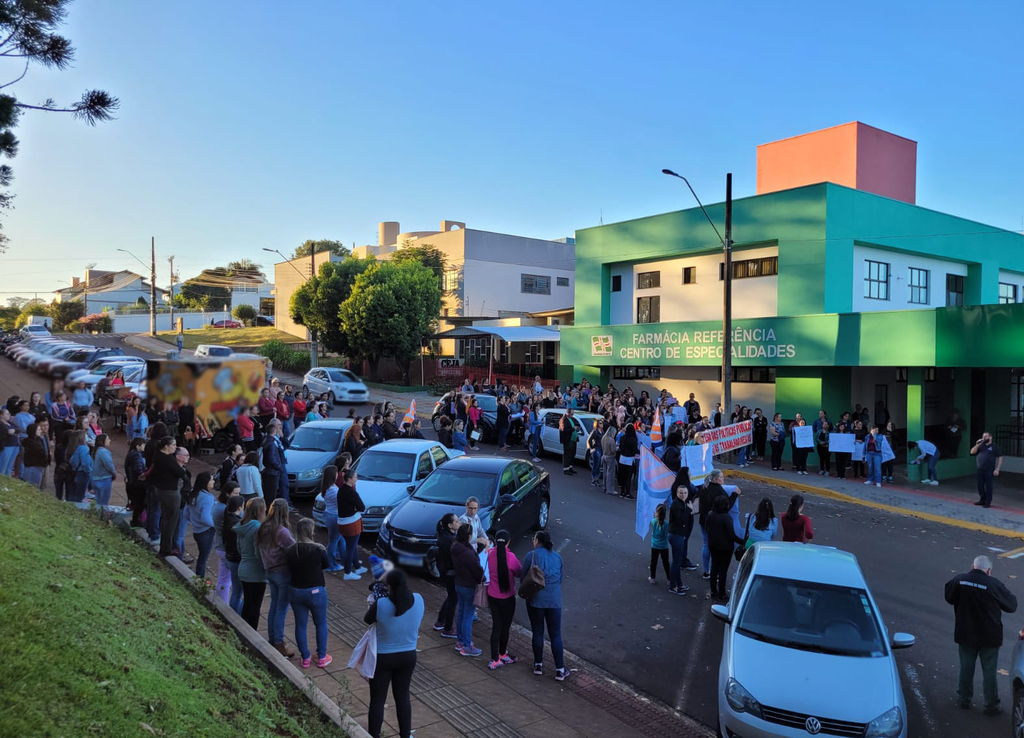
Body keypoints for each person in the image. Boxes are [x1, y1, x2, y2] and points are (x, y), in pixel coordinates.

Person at [945, 555, 1018, 714]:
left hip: (965, 633)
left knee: (966, 667)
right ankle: (991, 705)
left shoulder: (959, 580)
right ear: (989, 570)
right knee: (989, 672)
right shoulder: (994, 584)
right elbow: (1012, 605)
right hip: (989, 637)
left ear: (973, 566)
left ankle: (963, 699)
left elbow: (949, 597)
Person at [365, 568, 424, 738]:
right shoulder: (419, 600)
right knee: (403, 696)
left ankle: (373, 735)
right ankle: (406, 734)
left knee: (377, 700)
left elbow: (367, 619)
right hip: (408, 656)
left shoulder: (382, 604)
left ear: (389, 585)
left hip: (383, 658)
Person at [287, 517, 333, 669]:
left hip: (296, 591)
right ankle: (321, 657)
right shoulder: (318, 549)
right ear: (310, 531)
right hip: (316, 591)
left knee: (300, 625)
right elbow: (326, 565)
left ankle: (305, 657)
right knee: (320, 623)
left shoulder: (291, 550)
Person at [522, 531, 567, 681]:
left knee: (538, 632)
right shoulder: (557, 557)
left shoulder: (531, 556)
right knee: (555, 634)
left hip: (536, 600)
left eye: (533, 538)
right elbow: (560, 578)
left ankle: (538, 665)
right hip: (554, 600)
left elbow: (523, 577)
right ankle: (560, 670)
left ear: (537, 541)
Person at [257, 498, 296, 657]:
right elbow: (295, 550)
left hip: (269, 571)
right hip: (282, 573)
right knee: (281, 608)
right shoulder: (281, 531)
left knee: (274, 606)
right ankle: (279, 642)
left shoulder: (263, 527)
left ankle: (272, 639)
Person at [486, 529, 522, 670]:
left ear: (495, 541)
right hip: (507, 598)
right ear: (508, 542)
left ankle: (494, 658)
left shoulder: (490, 554)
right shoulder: (511, 557)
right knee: (505, 628)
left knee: (496, 626)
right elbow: (519, 572)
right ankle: (502, 654)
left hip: (492, 595)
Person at [151, 436, 189, 557]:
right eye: (173, 445)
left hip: (161, 490)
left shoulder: (157, 456)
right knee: (171, 521)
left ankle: (165, 545)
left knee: (166, 519)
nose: (175, 447)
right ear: (166, 446)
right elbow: (181, 472)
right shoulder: (168, 458)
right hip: (170, 491)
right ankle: (167, 548)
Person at [451, 523, 484, 657]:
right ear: (468, 535)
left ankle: (460, 641)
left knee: (461, 613)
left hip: (459, 583)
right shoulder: (468, 553)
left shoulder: (455, 547)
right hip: (469, 586)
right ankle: (467, 645)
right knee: (468, 616)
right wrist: (483, 577)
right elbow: (477, 571)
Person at [235, 497, 267, 630]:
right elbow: (258, 552)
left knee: (248, 604)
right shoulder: (257, 528)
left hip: (243, 568)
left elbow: (239, 548)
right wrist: (265, 567)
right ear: (260, 510)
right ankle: (251, 636)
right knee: (255, 607)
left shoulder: (242, 525)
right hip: (255, 572)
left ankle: (243, 633)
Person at [706, 494, 744, 601]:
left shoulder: (710, 514)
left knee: (714, 567)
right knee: (723, 570)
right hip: (725, 547)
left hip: (713, 545)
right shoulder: (727, 518)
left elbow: (706, 528)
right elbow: (731, 535)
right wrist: (742, 542)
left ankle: (713, 590)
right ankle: (722, 592)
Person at [184, 471, 217, 578]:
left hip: (196, 531)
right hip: (206, 531)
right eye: (211, 480)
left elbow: (186, 513)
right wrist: (216, 525)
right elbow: (205, 518)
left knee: (202, 556)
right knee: (203, 558)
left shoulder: (193, 493)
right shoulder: (208, 498)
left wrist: (194, 522)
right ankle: (200, 579)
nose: (213, 481)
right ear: (206, 482)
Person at [336, 468, 366, 580]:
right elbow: (362, 507)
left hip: (342, 523)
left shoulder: (341, 490)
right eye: (355, 477)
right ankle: (347, 572)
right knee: (350, 548)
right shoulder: (352, 493)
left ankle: (357, 566)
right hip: (351, 523)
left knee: (351, 546)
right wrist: (355, 508)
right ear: (349, 479)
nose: (356, 479)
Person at [433, 513, 460, 638]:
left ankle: (440, 621)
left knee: (451, 596)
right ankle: (448, 628)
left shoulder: (444, 536)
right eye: (456, 521)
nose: (459, 523)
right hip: (451, 573)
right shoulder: (451, 540)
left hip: (445, 572)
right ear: (450, 525)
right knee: (453, 599)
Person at [212, 481, 239, 603]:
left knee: (224, 578)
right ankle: (223, 605)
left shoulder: (220, 506)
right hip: (225, 547)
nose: (238, 495)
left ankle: (220, 601)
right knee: (226, 580)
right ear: (228, 494)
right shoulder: (225, 510)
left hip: (221, 545)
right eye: (236, 493)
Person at [667, 477, 695, 595]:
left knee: (677, 562)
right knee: (677, 562)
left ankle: (679, 584)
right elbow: (681, 518)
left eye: (685, 493)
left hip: (679, 535)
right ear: (677, 493)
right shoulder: (676, 505)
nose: (683, 495)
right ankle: (673, 586)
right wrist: (689, 510)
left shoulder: (683, 503)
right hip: (676, 535)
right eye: (680, 493)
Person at [222, 495, 245, 614]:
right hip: (237, 560)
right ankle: (239, 616)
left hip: (230, 558)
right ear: (240, 507)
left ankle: (232, 615)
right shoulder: (237, 524)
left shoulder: (227, 519)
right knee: (243, 592)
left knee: (236, 591)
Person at [261, 419, 289, 508]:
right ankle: (285, 505)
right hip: (277, 467)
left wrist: (282, 436)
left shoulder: (277, 437)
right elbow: (271, 457)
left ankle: (286, 503)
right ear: (274, 427)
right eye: (278, 425)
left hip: (280, 464)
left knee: (283, 485)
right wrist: (279, 467)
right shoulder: (271, 441)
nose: (280, 427)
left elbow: (286, 445)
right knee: (280, 486)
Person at [971, 432, 1002, 508]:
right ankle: (982, 499)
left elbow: (1000, 457)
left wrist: (997, 469)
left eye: (986, 436)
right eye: (983, 436)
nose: (984, 438)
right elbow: (972, 452)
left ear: (990, 437)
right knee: (980, 486)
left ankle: (988, 502)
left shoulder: (994, 447)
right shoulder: (981, 446)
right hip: (980, 469)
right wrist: (977, 444)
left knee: (988, 487)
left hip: (989, 470)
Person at [125, 436, 147, 527]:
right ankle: (137, 522)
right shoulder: (136, 456)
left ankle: (136, 521)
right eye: (143, 445)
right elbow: (138, 471)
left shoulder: (132, 454)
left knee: (136, 503)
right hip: (137, 484)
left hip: (132, 483)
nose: (144, 447)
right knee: (139, 504)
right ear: (138, 446)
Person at [20, 422, 50, 489]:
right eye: (38, 430)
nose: (40, 431)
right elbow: (40, 452)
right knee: (32, 485)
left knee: (37, 484)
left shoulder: (39, 439)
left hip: (39, 465)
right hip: (33, 465)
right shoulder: (31, 442)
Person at [89, 433, 115, 505]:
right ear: (102, 442)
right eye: (107, 439)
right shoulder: (104, 452)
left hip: (95, 478)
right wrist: (114, 474)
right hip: (104, 479)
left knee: (98, 501)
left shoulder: (95, 451)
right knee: (104, 502)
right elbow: (109, 465)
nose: (109, 440)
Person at [67, 429, 93, 503]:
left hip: (75, 472)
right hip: (82, 473)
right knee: (79, 496)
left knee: (74, 494)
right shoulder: (83, 448)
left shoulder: (72, 448)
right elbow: (85, 463)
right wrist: (89, 471)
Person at [648, 504, 670, 585]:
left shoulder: (653, 521)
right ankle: (669, 579)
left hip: (654, 545)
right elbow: (666, 535)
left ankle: (652, 578)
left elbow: (653, 520)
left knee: (654, 561)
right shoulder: (666, 524)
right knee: (666, 562)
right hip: (664, 545)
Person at [616, 424, 639, 499]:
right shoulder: (633, 439)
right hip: (630, 459)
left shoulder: (623, 437)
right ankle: (628, 493)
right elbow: (635, 450)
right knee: (628, 477)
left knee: (622, 476)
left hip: (622, 458)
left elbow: (620, 447)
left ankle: (622, 491)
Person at [0, 407, 19, 477]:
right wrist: (9, 432)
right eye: (7, 414)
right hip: (7, 446)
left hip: (15, 445)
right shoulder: (1, 424)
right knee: (3, 466)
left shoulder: (10, 423)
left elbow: (18, 429)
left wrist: (14, 431)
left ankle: (8, 480)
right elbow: (3, 434)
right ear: (1, 415)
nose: (9, 415)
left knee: (10, 466)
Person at [559, 409, 578, 476]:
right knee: (567, 454)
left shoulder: (571, 419)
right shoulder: (564, 420)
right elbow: (564, 429)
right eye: (571, 413)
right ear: (568, 413)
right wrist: (573, 429)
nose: (572, 415)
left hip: (573, 439)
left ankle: (570, 467)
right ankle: (566, 468)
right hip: (568, 440)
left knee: (573, 453)